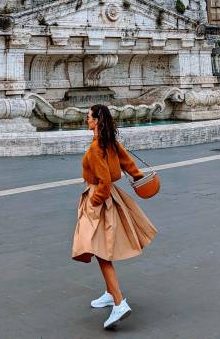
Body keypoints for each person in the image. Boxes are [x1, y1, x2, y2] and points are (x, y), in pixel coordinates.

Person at [72, 103, 157, 329]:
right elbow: (128, 163)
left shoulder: (95, 148)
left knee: (99, 251)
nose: (86, 120)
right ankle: (111, 294)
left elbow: (104, 182)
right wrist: (139, 178)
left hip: (100, 200)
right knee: (102, 249)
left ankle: (119, 302)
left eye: (89, 117)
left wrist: (93, 201)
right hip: (113, 199)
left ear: (97, 121)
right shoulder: (110, 141)